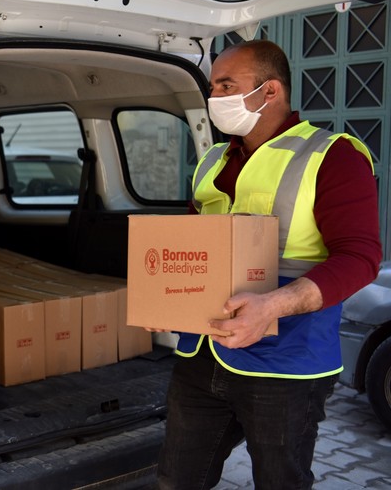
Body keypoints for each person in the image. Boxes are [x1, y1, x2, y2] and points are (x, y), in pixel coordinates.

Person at [156, 40, 381, 490]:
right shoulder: (211, 161)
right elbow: (192, 249)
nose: (214, 97)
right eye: (212, 87)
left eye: (226, 85)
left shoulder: (332, 155)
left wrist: (271, 306)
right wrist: (163, 298)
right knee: (175, 482)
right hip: (201, 355)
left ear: (270, 91)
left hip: (286, 365)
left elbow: (361, 258)